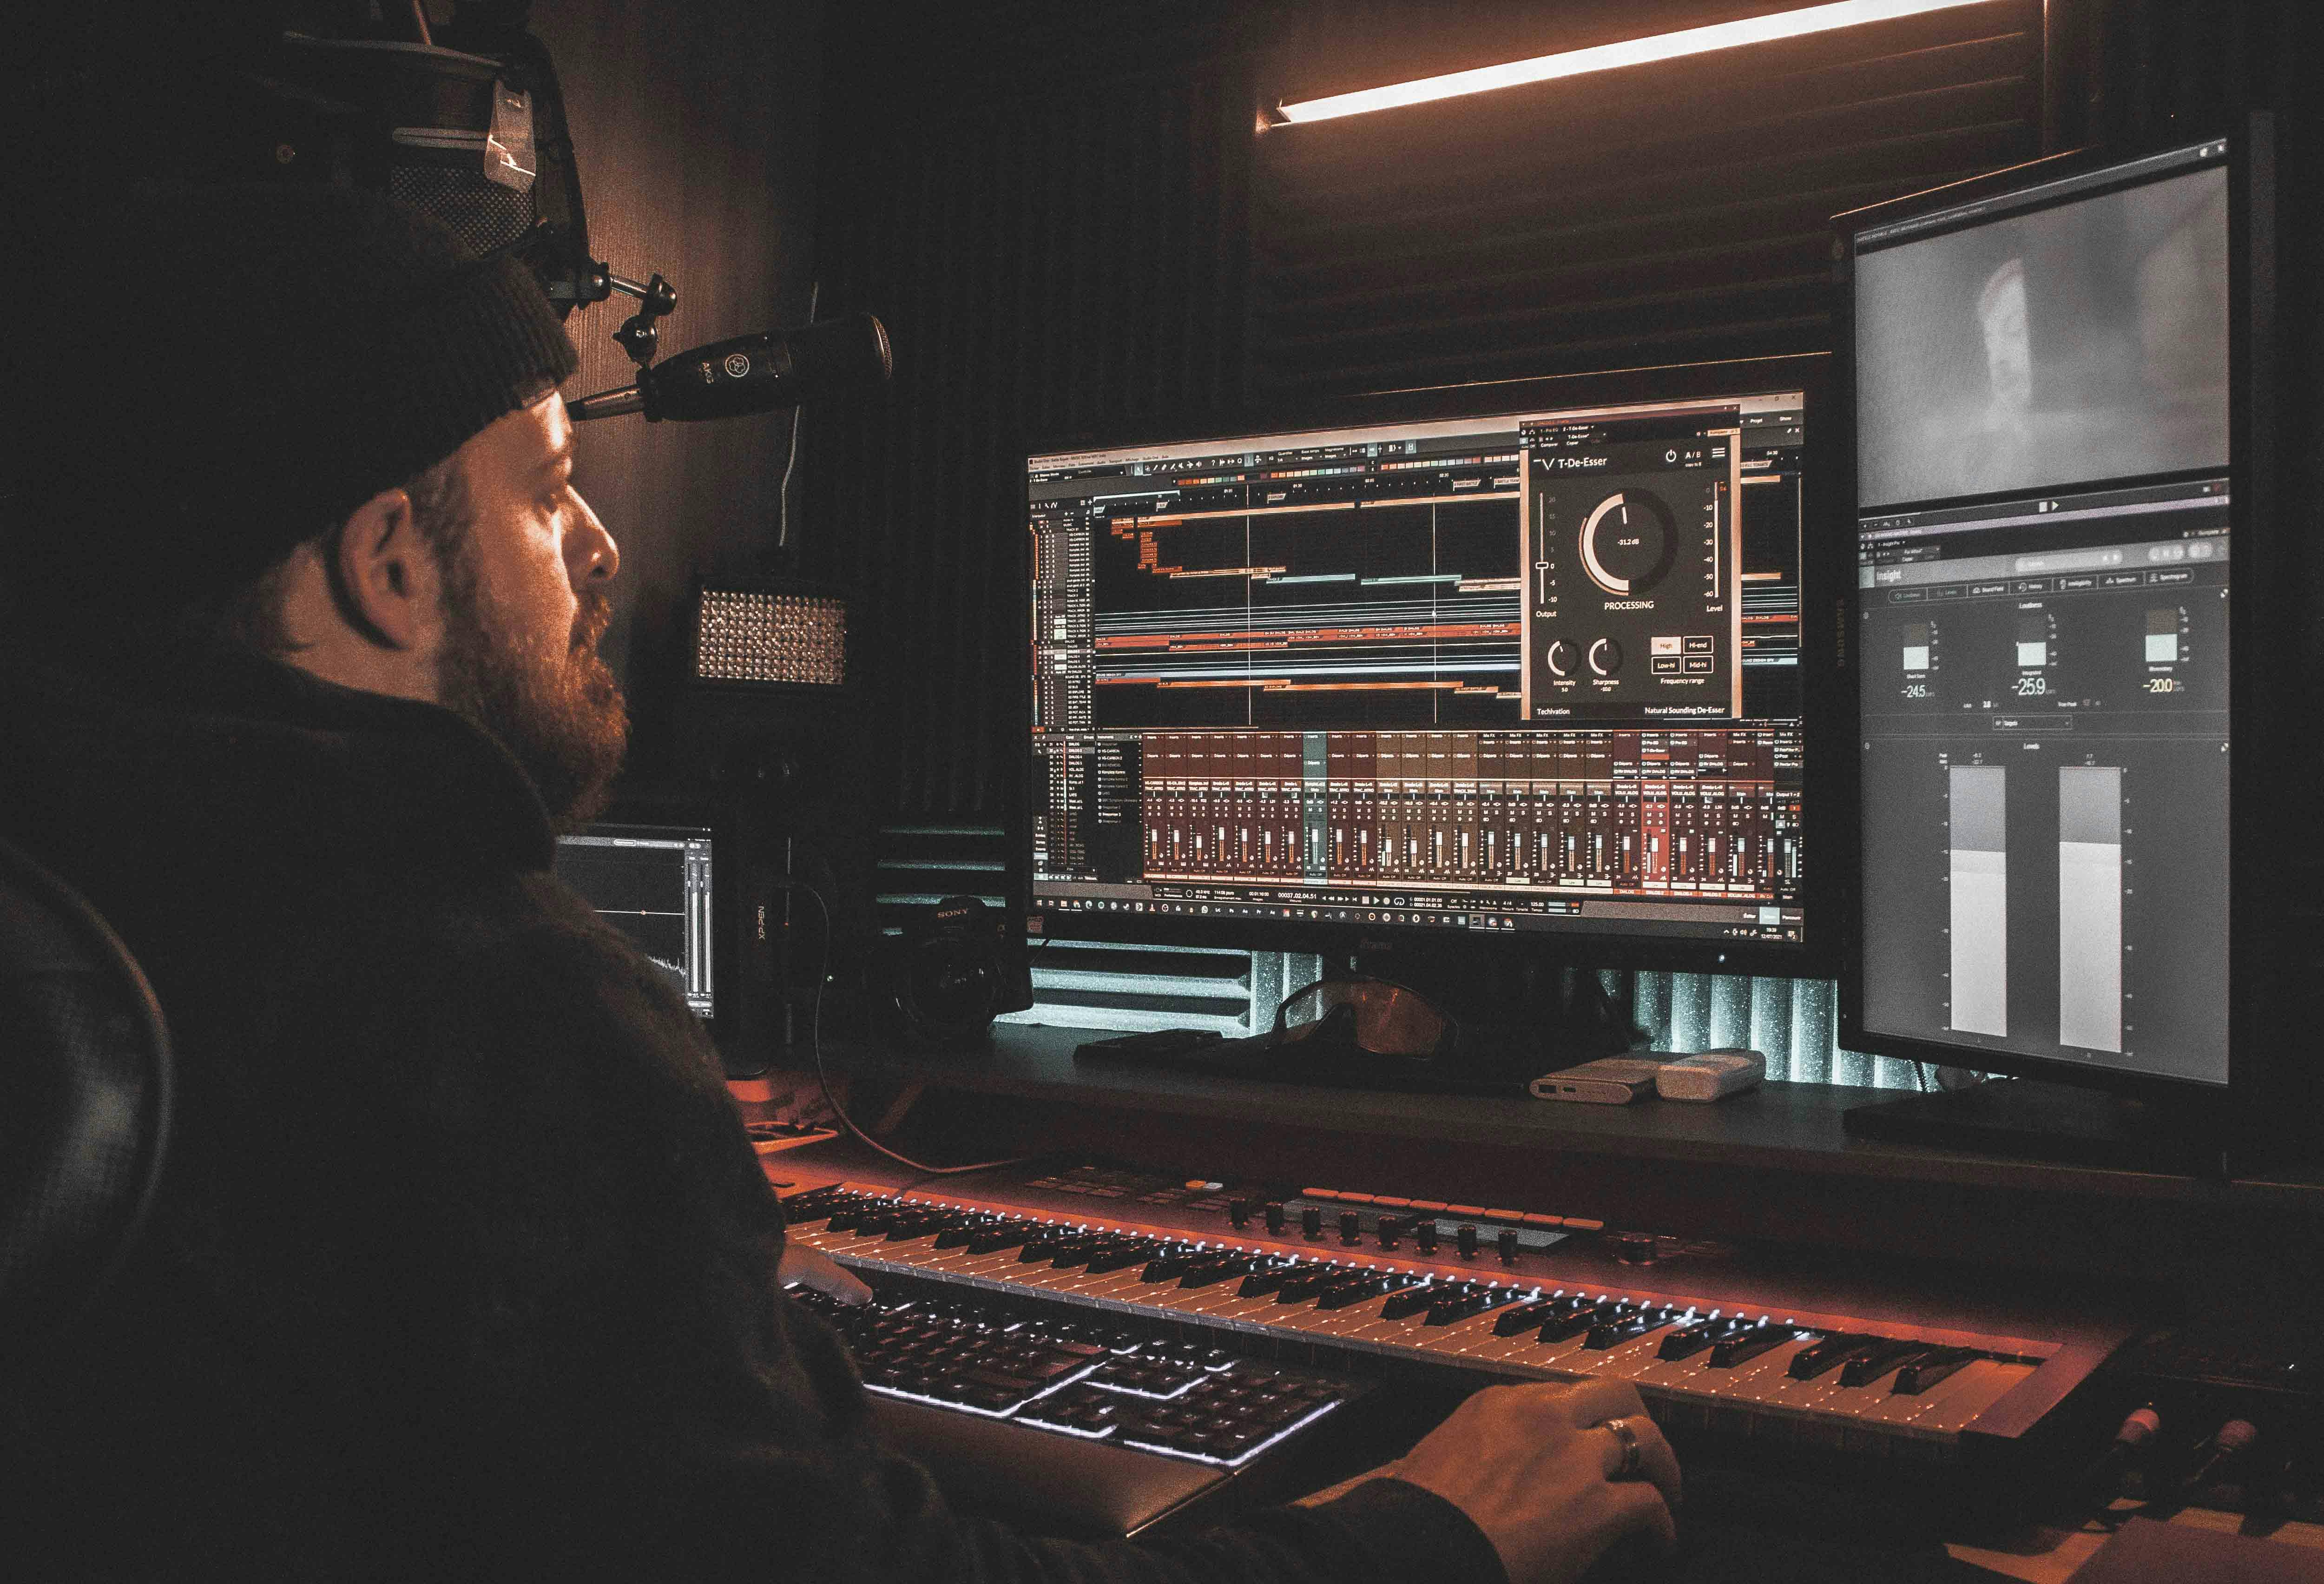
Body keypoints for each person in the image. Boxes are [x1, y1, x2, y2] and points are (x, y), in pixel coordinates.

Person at [0, 184, 1679, 1582]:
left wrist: (689, 1301)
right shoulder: (462, 982)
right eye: (546, 490)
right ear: (383, 562)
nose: (594, 550)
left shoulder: (100, 889)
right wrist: (1419, 1537)